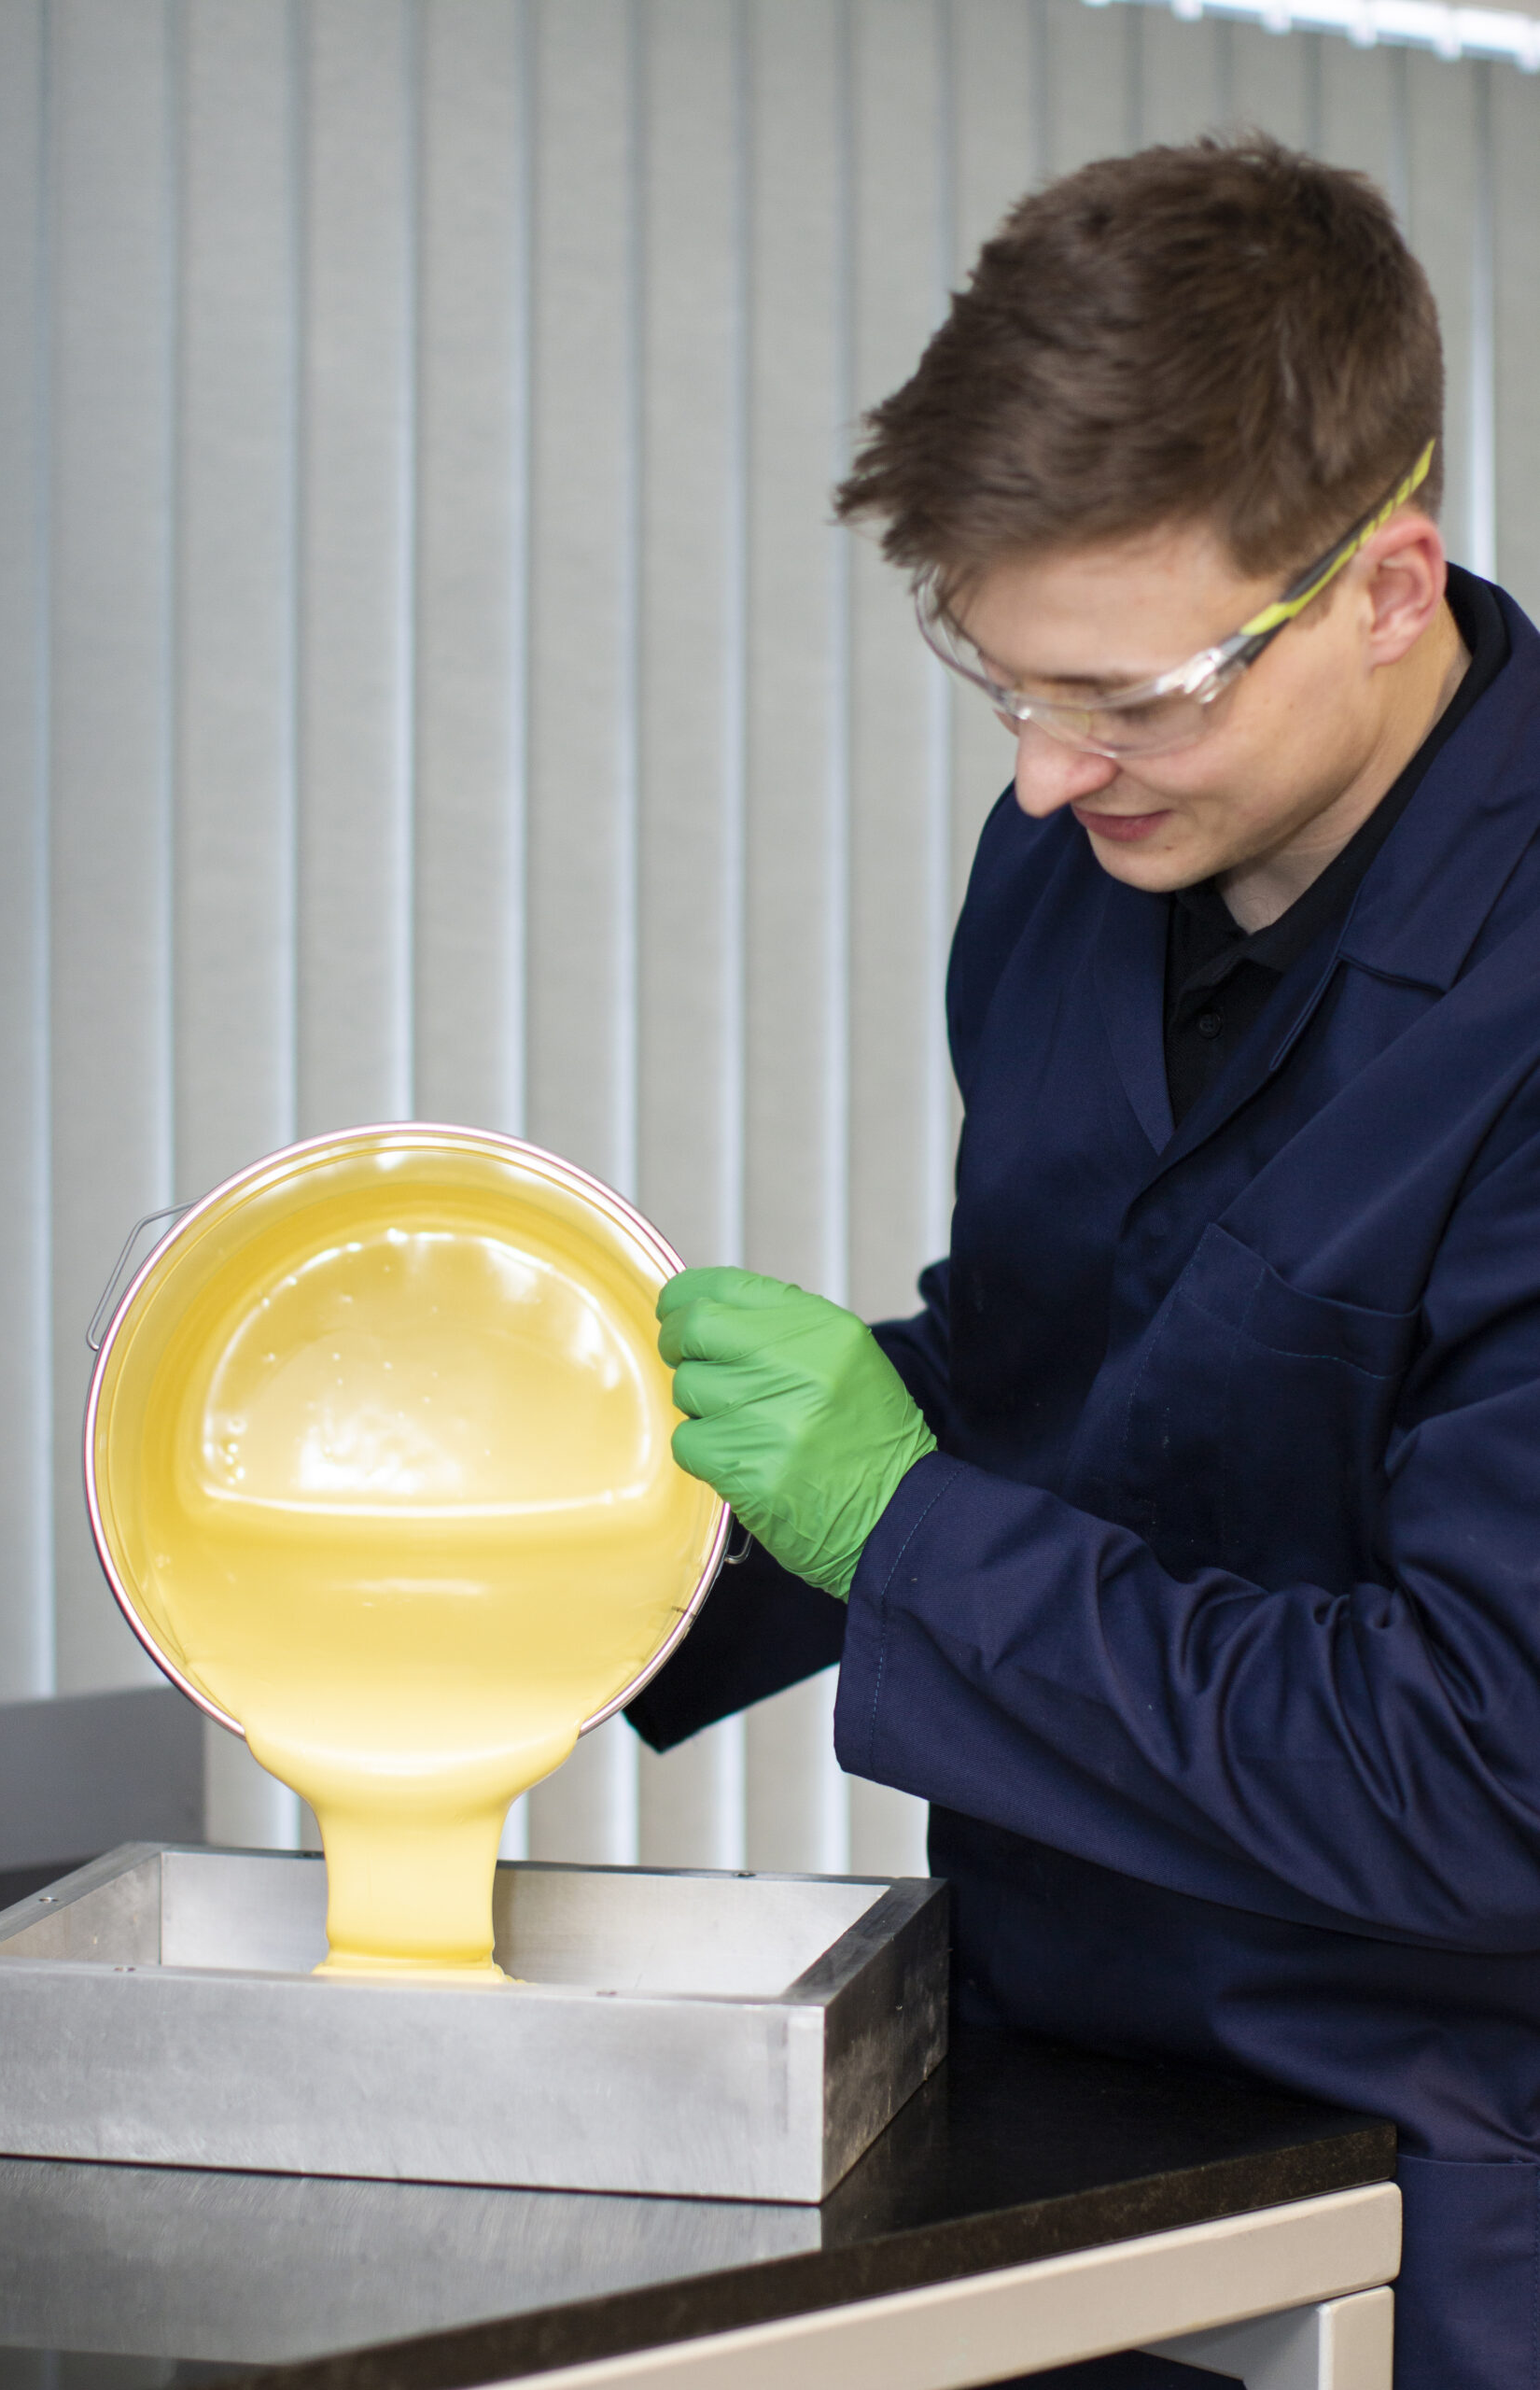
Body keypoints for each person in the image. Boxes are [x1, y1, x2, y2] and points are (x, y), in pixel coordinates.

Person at [626, 134, 1540, 2390]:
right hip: (1040, 2085)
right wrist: (618, 1523)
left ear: (1385, 582)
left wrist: (897, 1524)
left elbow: (1479, 1767)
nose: (1040, 778)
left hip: (1428, 2174)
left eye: (1124, 697)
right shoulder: (1077, 864)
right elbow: (1090, 1364)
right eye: (996, 678)